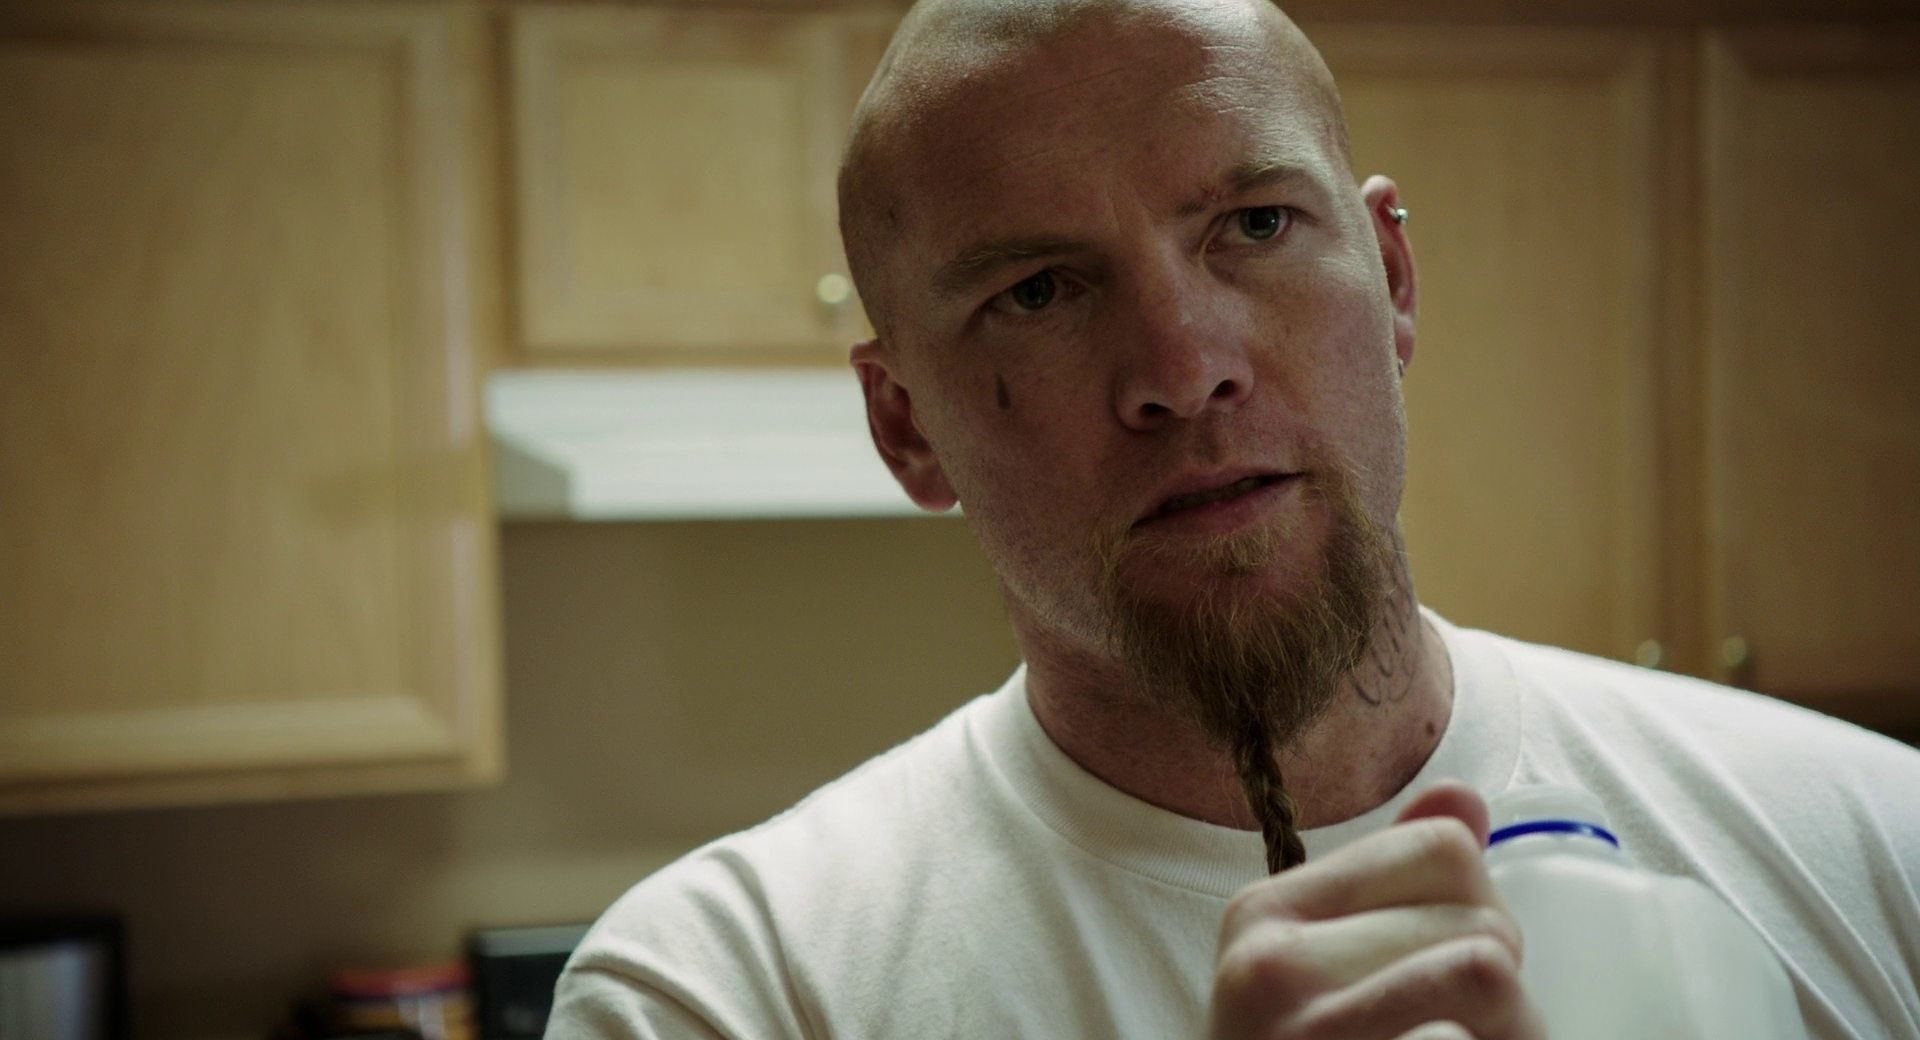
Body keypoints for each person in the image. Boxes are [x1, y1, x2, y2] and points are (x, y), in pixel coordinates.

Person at [546, 1, 1920, 1037]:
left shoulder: (1872, 846)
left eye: (1254, 226)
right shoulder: (726, 990)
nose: (1182, 365)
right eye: (1037, 292)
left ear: (1392, 280)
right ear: (906, 425)